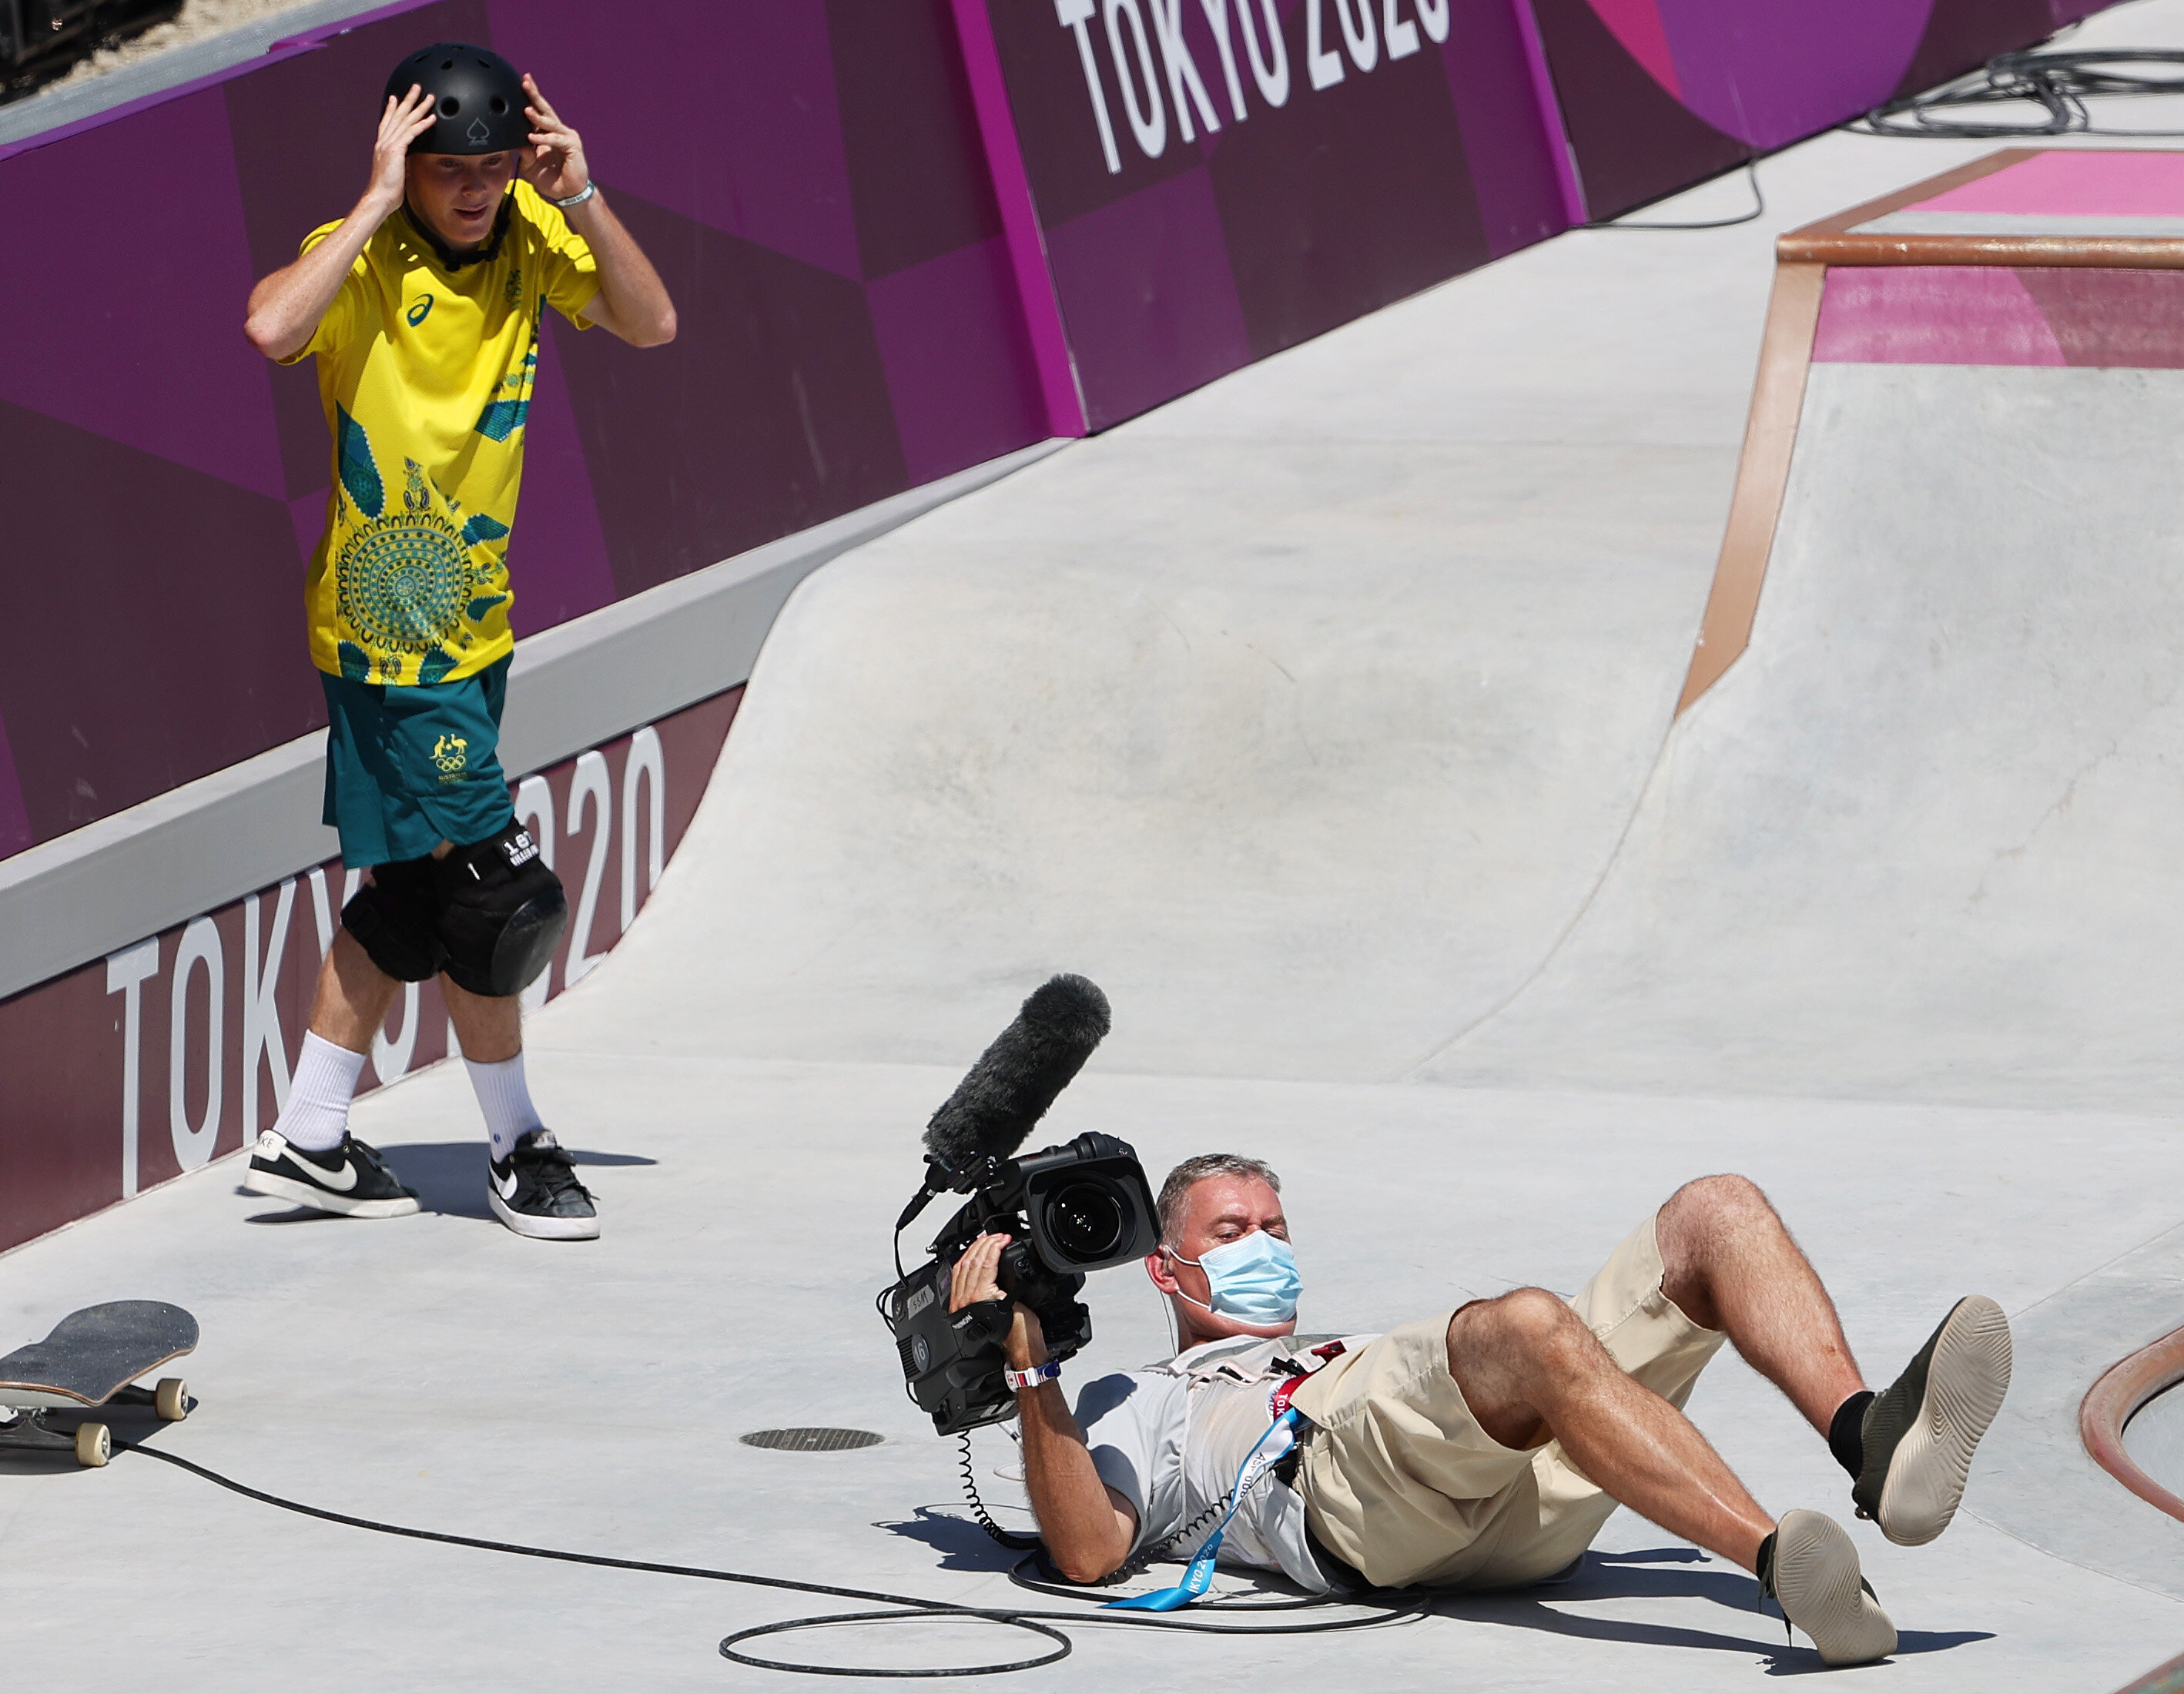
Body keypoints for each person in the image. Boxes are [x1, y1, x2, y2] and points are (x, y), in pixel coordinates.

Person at [949, 1154, 2013, 1668]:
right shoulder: (1136, 1398)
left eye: (1275, 1223)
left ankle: (1868, 1438)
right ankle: (1790, 1570)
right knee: (1530, 1327)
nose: (1264, 1244)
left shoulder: (1338, 1345)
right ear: (1165, 1270)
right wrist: (1028, 1366)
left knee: (1713, 1212)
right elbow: (1090, 1551)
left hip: (1513, 1493)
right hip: (1342, 1497)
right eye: (1231, 1232)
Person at [238, 42, 675, 1238]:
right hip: (390, 638)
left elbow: (652, 321)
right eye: (445, 169)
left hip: (474, 625)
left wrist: (578, 187)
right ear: (405, 163)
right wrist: (373, 199)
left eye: (490, 164)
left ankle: (312, 1136)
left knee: (414, 897)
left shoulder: (536, 232)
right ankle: (518, 1146)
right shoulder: (365, 252)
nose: (474, 188)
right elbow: (273, 328)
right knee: (498, 897)